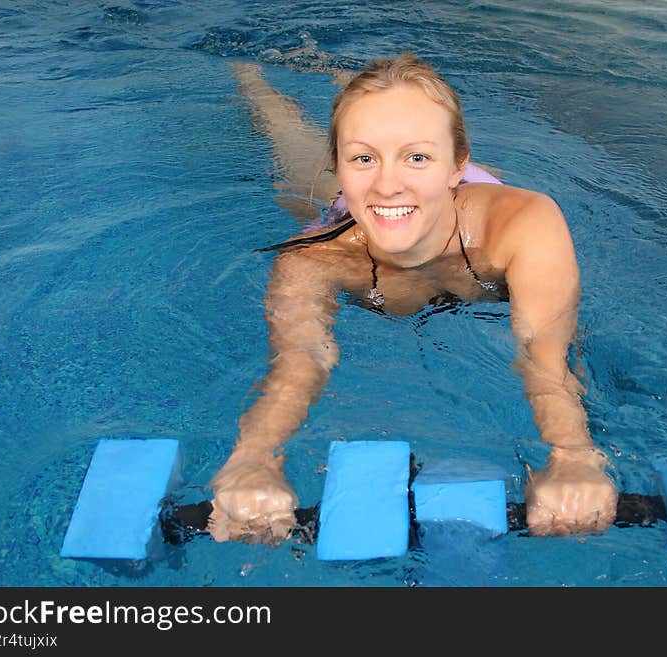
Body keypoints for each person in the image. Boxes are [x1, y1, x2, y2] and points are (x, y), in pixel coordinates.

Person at [207, 53, 618, 543]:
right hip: (354, 215)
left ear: (457, 165)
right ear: (338, 166)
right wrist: (252, 459)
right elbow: (298, 366)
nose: (386, 181)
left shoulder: (523, 224)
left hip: (460, 208)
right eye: (362, 158)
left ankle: (348, 84)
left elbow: (545, 355)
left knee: (393, 150)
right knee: (288, 145)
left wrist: (572, 456)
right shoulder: (314, 260)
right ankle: (250, 74)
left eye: (417, 156)